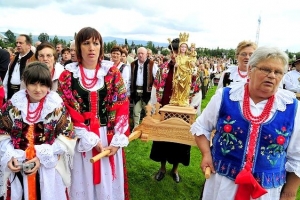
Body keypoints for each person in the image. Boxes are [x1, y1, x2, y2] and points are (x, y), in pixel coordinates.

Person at [191, 46, 300, 200]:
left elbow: (297, 156)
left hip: (266, 191)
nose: (271, 76)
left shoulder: (292, 107)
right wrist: (206, 154)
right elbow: (201, 127)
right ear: (250, 70)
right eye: (266, 69)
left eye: (278, 72)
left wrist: (289, 194)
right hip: (223, 184)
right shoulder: (227, 96)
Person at [57, 27, 130, 200]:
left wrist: (117, 141)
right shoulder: (67, 76)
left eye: (95, 43)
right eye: (86, 43)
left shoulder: (112, 73)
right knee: (83, 182)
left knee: (107, 186)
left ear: (101, 47)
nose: (91, 48)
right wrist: (88, 137)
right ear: (78, 47)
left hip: (108, 138)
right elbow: (66, 112)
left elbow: (121, 107)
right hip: (80, 139)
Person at [0, 61, 75, 200]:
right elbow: (3, 132)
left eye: (43, 84)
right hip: (19, 168)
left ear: (49, 85)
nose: (38, 89)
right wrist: (9, 156)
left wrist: (42, 157)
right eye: (33, 83)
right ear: (25, 83)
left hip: (47, 169)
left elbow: (67, 137)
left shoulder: (56, 106)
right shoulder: (13, 105)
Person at [149, 37, 202, 183]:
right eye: (174, 51)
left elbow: (197, 91)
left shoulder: (192, 70)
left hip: (183, 113)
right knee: (163, 140)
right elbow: (156, 88)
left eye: (179, 50)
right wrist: (155, 108)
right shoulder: (163, 68)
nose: (176, 54)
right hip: (165, 112)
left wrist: (193, 110)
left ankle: (175, 169)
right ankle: (162, 167)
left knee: (180, 142)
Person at [130, 47, 158, 128]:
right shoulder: (133, 65)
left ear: (146, 54)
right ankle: (136, 129)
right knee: (136, 112)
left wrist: (154, 93)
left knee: (149, 111)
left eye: (142, 53)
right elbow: (129, 80)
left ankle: (150, 128)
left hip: (148, 93)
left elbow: (157, 80)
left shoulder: (152, 64)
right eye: (139, 53)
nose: (140, 55)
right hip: (136, 92)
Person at [3, 34, 36, 100]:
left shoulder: (33, 60)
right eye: (17, 43)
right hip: (11, 92)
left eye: (20, 43)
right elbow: (7, 76)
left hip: (25, 95)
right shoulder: (14, 58)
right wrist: (5, 93)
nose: (18, 45)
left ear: (28, 45)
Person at [169, 32, 195, 107]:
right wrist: (175, 66)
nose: (183, 48)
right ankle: (176, 99)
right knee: (176, 87)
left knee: (185, 89)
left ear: (187, 48)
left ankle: (183, 100)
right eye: (182, 47)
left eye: (185, 47)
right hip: (178, 75)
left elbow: (192, 66)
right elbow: (174, 67)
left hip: (186, 75)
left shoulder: (188, 58)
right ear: (179, 48)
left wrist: (192, 63)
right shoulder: (177, 57)